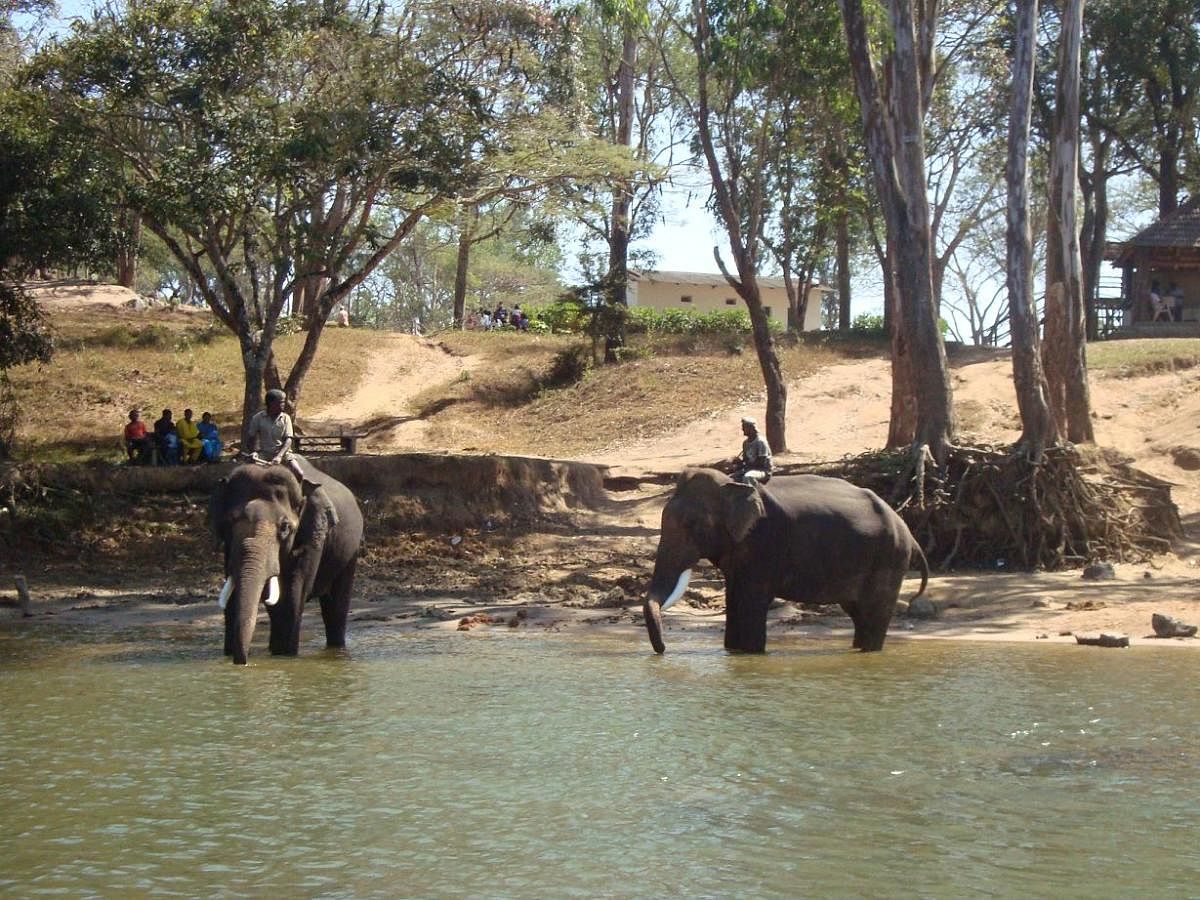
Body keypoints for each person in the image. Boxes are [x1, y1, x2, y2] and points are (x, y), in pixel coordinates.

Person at [244, 388, 304, 480]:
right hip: (264, 454)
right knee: (247, 475)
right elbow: (251, 438)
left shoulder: (286, 418)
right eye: (281, 403)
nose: (284, 405)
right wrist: (253, 452)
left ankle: (298, 493)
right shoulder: (258, 418)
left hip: (283, 454)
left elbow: (289, 440)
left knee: (299, 473)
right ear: (271, 404)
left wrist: (279, 456)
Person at [733, 416, 773, 486]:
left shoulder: (760, 442)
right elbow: (745, 459)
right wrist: (738, 462)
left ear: (751, 428)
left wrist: (747, 465)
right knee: (732, 478)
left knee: (748, 477)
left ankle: (751, 495)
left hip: (763, 470)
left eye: (744, 427)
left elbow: (761, 462)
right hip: (749, 468)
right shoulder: (745, 443)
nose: (742, 429)